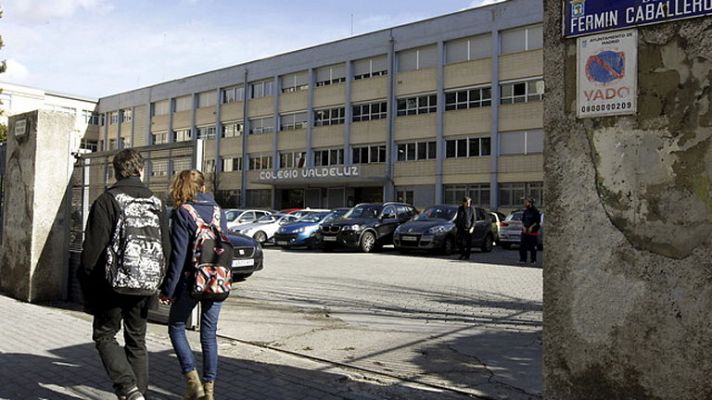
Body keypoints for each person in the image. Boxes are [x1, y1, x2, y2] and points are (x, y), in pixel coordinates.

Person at [79, 149, 171, 400]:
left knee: (104, 334)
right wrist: (163, 282)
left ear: (115, 171)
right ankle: (138, 394)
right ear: (141, 170)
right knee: (137, 340)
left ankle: (127, 387)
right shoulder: (157, 202)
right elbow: (166, 245)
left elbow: (92, 252)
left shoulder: (107, 201)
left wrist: (88, 287)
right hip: (147, 281)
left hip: (113, 284)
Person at [160, 170, 228, 400]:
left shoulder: (183, 212)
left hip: (191, 282)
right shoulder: (219, 212)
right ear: (203, 187)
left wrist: (168, 290)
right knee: (209, 336)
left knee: (176, 327)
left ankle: (193, 385)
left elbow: (178, 257)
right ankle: (209, 392)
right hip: (217, 280)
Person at [519, 197, 541, 264]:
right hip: (525, 232)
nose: (525, 203)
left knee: (533, 247)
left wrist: (531, 227)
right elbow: (522, 220)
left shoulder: (535, 211)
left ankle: (533, 260)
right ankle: (523, 259)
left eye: (526, 202)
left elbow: (537, 221)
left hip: (532, 233)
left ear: (530, 203)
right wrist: (523, 227)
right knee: (523, 246)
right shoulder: (526, 211)